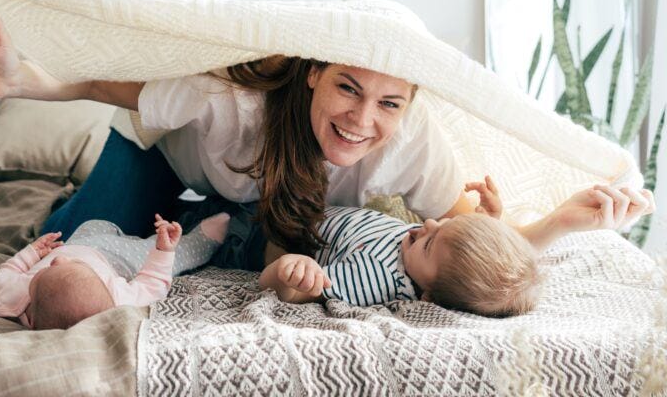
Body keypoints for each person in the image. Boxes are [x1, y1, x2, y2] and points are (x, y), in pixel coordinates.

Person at [0, 6, 656, 270]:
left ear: (410, 105)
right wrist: (17, 81)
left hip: (255, 204)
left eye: (388, 102)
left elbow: (472, 241)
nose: (363, 119)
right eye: (347, 88)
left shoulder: (412, 143)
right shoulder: (230, 101)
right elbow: (105, 85)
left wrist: (555, 224)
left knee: (250, 245)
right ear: (312, 75)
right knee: (63, 249)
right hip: (161, 164)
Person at [259, 181, 655, 316]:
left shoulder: (379, 278)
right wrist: (486, 221)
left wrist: (289, 273)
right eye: (447, 224)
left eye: (430, 243)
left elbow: (303, 292)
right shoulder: (427, 251)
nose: (427, 224)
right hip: (313, 207)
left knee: (226, 228)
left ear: (428, 294)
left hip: (272, 232)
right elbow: (488, 264)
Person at [0, 212, 229, 329]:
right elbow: (152, 283)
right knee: (175, 254)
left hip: (81, 239)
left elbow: (3, 276)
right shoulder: (117, 302)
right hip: (120, 258)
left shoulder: (11, 300)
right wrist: (163, 251)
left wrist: (30, 254)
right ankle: (204, 238)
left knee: (93, 222)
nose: (57, 262)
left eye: (46, 269)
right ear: (33, 323)